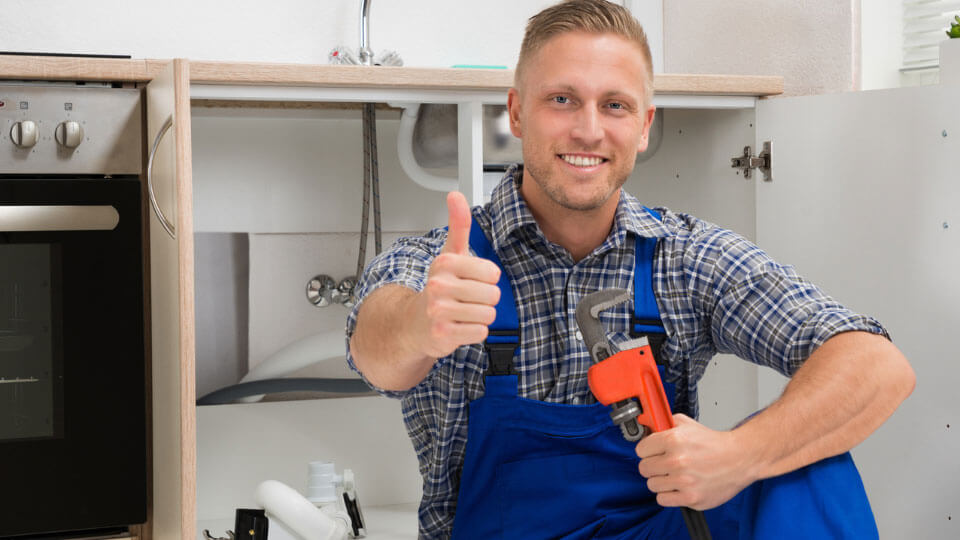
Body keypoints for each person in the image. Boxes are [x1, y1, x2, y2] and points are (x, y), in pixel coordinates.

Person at [346, 1, 915, 538]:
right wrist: (422, 323)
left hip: (656, 529)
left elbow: (877, 364)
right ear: (518, 113)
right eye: (562, 100)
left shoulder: (686, 258)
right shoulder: (447, 264)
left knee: (810, 468)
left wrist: (739, 456)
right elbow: (376, 350)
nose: (589, 130)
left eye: (614, 105)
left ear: (644, 126)